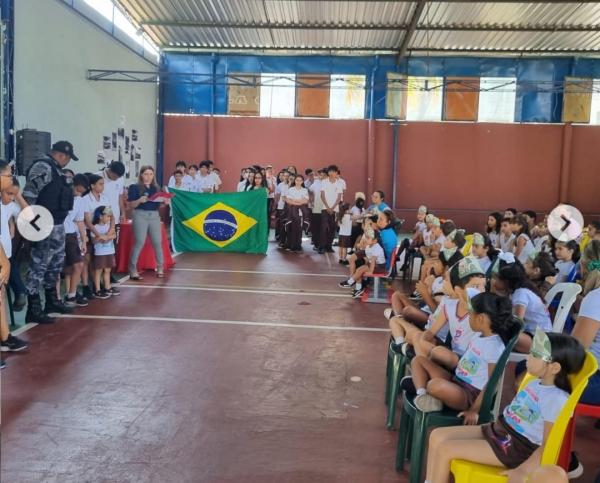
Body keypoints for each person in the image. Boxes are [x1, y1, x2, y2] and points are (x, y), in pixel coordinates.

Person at [425, 331, 586, 483]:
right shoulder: (536, 382)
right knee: (437, 435)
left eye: (535, 355)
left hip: (515, 448)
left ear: (554, 368)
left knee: (446, 449)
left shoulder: (556, 399)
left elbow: (548, 444)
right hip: (500, 431)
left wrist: (523, 471)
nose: (528, 357)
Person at [405, 292, 520, 415]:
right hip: (456, 379)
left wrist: (474, 410)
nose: (468, 318)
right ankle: (422, 395)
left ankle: (425, 387)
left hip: (468, 394)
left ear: (480, 318)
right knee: (418, 361)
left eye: (470, 315)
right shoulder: (478, 335)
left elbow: (493, 383)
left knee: (434, 385)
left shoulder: (494, 347)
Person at [23, 141, 77, 324]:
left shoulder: (57, 170)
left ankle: (51, 301)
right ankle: (33, 307)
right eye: (68, 158)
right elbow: (29, 197)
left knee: (54, 266)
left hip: (58, 225)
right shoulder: (42, 167)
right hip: (44, 225)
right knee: (38, 267)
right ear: (62, 155)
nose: (68, 162)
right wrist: (32, 226)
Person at [570, 240, 600, 478]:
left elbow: (576, 351)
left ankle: (557, 456)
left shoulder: (596, 298)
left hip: (596, 380)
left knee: (535, 380)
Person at [0, 164, 28, 358]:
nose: (11, 177)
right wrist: (6, 262)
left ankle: (5, 338)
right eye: (8, 175)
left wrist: (17, 196)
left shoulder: (8, 203)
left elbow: (29, 216)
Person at [498, 255, 552, 353]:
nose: (494, 281)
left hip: (541, 341)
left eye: (497, 278)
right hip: (533, 335)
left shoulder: (521, 293)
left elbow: (516, 324)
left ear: (507, 281)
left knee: (500, 332)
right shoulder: (522, 288)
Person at [127, 166, 166, 280]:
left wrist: (165, 201)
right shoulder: (134, 187)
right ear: (141, 175)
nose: (148, 177)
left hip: (154, 215)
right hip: (140, 214)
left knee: (157, 242)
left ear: (153, 176)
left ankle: (160, 267)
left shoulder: (156, 188)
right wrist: (139, 200)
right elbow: (131, 205)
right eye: (146, 174)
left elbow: (159, 205)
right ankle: (133, 269)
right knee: (139, 242)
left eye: (151, 174)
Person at [83, 174, 112, 300]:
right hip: (90, 233)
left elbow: (112, 216)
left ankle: (100, 285)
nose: (103, 186)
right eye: (100, 184)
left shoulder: (105, 198)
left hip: (105, 233)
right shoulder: (85, 199)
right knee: (89, 260)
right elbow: (88, 221)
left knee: (102, 261)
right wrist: (99, 234)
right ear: (92, 186)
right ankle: (90, 286)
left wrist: (109, 232)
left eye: (103, 183)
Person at [63, 174, 89, 307]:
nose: (79, 194)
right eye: (78, 190)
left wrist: (84, 241)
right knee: (56, 270)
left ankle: (71, 295)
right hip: (57, 234)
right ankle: (55, 298)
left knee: (79, 264)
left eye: (82, 192)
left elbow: (80, 221)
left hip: (71, 235)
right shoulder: (61, 195)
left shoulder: (79, 200)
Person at [338, 228, 386, 299]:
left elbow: (373, 260)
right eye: (366, 237)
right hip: (372, 264)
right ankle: (358, 289)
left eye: (368, 238)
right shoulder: (369, 245)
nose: (366, 239)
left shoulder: (377, 248)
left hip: (379, 267)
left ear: (374, 241)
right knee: (359, 269)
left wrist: (370, 271)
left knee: (362, 269)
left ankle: (350, 282)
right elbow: (366, 253)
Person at [91, 206, 118, 299]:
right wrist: (101, 237)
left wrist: (106, 237)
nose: (109, 218)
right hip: (100, 253)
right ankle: (97, 290)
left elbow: (114, 235)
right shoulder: (95, 227)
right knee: (98, 271)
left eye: (110, 217)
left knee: (107, 270)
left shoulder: (109, 226)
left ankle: (107, 287)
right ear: (100, 216)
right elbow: (94, 240)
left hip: (109, 251)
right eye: (107, 216)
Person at [319, 165, 343, 254]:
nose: (331, 173)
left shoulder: (339, 183)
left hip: (334, 209)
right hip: (325, 208)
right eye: (330, 171)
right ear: (328, 172)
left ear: (337, 172)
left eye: (333, 171)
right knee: (324, 227)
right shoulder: (324, 182)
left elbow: (339, 197)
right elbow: (322, 195)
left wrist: (332, 208)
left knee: (332, 228)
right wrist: (328, 207)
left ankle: (329, 246)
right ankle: (321, 247)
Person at [283, 174, 309, 252]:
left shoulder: (305, 190)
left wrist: (295, 201)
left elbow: (306, 200)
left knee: (299, 229)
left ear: (302, 181)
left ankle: (298, 245)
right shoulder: (291, 189)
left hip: (301, 213)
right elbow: (288, 200)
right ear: (295, 181)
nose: (298, 182)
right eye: (297, 180)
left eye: (300, 180)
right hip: (292, 212)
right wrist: (299, 202)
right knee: (292, 229)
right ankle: (292, 245)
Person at [309, 168, 325, 250]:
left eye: (322, 174)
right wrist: (311, 201)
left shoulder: (328, 182)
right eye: (319, 174)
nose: (320, 175)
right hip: (316, 209)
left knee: (324, 228)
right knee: (316, 227)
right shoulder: (316, 182)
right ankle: (316, 244)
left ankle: (323, 244)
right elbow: (310, 191)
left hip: (325, 209)